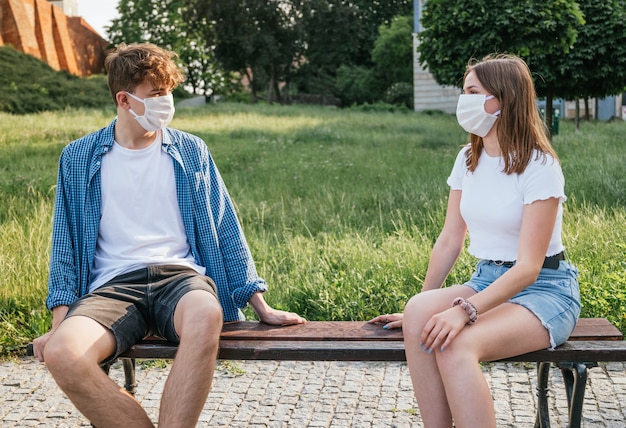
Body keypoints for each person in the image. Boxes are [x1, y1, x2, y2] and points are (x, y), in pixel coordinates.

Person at [32, 43, 306, 428]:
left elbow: (225, 225)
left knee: (206, 313)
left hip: (179, 280)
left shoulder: (191, 151)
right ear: (124, 99)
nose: (167, 102)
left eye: (168, 92)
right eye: (156, 94)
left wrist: (259, 304)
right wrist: (59, 323)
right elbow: (64, 242)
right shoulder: (78, 157)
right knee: (63, 354)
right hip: (111, 288)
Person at [370, 54, 580, 427]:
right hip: (487, 279)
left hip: (545, 290)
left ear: (502, 98)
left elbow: (529, 267)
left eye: (472, 91)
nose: (463, 101)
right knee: (420, 313)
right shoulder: (468, 158)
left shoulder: (539, 165)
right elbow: (451, 238)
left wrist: (462, 310)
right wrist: (421, 307)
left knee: (457, 345)